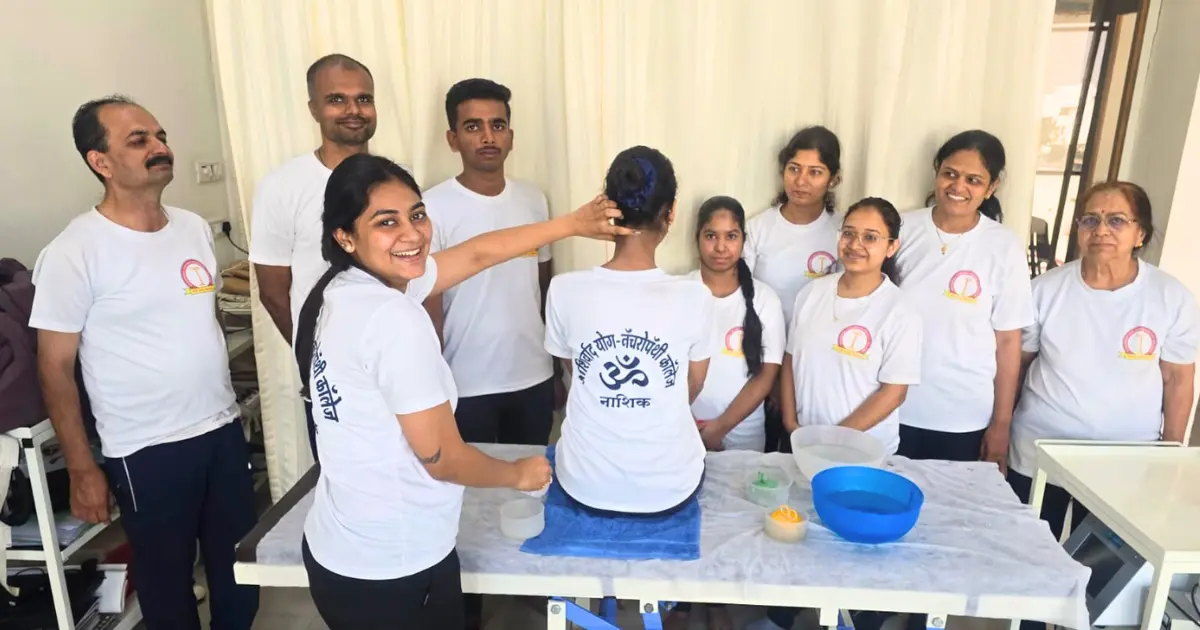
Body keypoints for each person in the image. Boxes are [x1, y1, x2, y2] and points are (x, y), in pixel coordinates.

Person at [294, 153, 630, 630]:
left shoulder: (344, 289)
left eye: (416, 215)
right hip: (394, 570)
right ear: (345, 236)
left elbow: (478, 253)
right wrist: (518, 474)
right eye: (386, 222)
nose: (412, 234)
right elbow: (442, 458)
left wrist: (573, 223)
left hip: (340, 550)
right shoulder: (392, 319)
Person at [31, 96, 258, 630]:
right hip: (146, 448)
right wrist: (83, 468)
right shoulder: (74, 252)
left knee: (239, 571)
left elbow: (204, 322)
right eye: (139, 140)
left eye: (160, 136)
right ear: (100, 162)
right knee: (167, 583)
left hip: (221, 429)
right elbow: (54, 367)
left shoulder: (192, 227)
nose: (160, 148)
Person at [754, 198, 922, 630]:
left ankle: (855, 621)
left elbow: (894, 392)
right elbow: (789, 362)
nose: (856, 244)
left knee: (854, 548)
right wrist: (793, 425)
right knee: (797, 535)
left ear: (892, 246)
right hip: (804, 446)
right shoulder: (814, 293)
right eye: (849, 233)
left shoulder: (899, 310)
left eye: (871, 237)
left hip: (863, 455)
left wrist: (833, 441)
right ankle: (781, 617)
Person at [1008, 181, 1199, 540]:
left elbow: (1178, 380)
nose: (1101, 231)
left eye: (1116, 221)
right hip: (1038, 451)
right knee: (1024, 553)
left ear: (1140, 233)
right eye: (1090, 220)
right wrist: (1000, 429)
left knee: (1101, 570)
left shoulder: (1170, 297)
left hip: (1124, 462)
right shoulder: (1044, 290)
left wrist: (1172, 458)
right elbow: (1017, 367)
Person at [545, 146, 715, 514]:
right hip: (670, 484)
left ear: (607, 207)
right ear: (670, 213)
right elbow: (694, 384)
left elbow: (578, 371)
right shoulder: (696, 297)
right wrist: (649, 410)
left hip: (583, 480)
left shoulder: (563, 289)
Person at [421, 78, 562, 453]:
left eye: (497, 125)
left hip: (532, 377)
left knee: (528, 491)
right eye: (473, 127)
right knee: (471, 497)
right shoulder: (430, 208)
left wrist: (556, 370)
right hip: (466, 383)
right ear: (452, 139)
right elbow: (427, 308)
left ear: (511, 136)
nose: (487, 137)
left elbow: (543, 288)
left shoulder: (534, 200)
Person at [249, 53, 376, 459]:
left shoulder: (394, 179)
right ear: (313, 109)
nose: (354, 110)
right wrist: (314, 357)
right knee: (343, 485)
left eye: (364, 99)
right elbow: (272, 291)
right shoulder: (282, 186)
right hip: (332, 377)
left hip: (393, 363)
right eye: (337, 99)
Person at [667, 196, 786, 630]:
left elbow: (765, 376)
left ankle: (719, 602)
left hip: (742, 431)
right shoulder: (677, 292)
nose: (721, 246)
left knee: (732, 520)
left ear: (743, 240)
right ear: (697, 238)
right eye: (711, 236)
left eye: (731, 236)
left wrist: (719, 428)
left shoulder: (765, 301)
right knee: (684, 512)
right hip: (681, 427)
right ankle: (680, 599)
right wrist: (690, 427)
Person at [893, 130, 1033, 469]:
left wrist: (1001, 424)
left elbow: (1009, 341)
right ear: (937, 172)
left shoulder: (1004, 246)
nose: (958, 187)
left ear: (992, 187)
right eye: (950, 174)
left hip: (963, 416)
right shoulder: (901, 228)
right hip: (891, 405)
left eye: (973, 180)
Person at [744, 126, 843, 452]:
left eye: (815, 172)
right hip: (759, 368)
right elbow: (744, 303)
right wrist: (768, 376)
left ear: (833, 179)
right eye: (794, 169)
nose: (801, 181)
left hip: (816, 372)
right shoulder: (758, 229)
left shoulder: (843, 233)